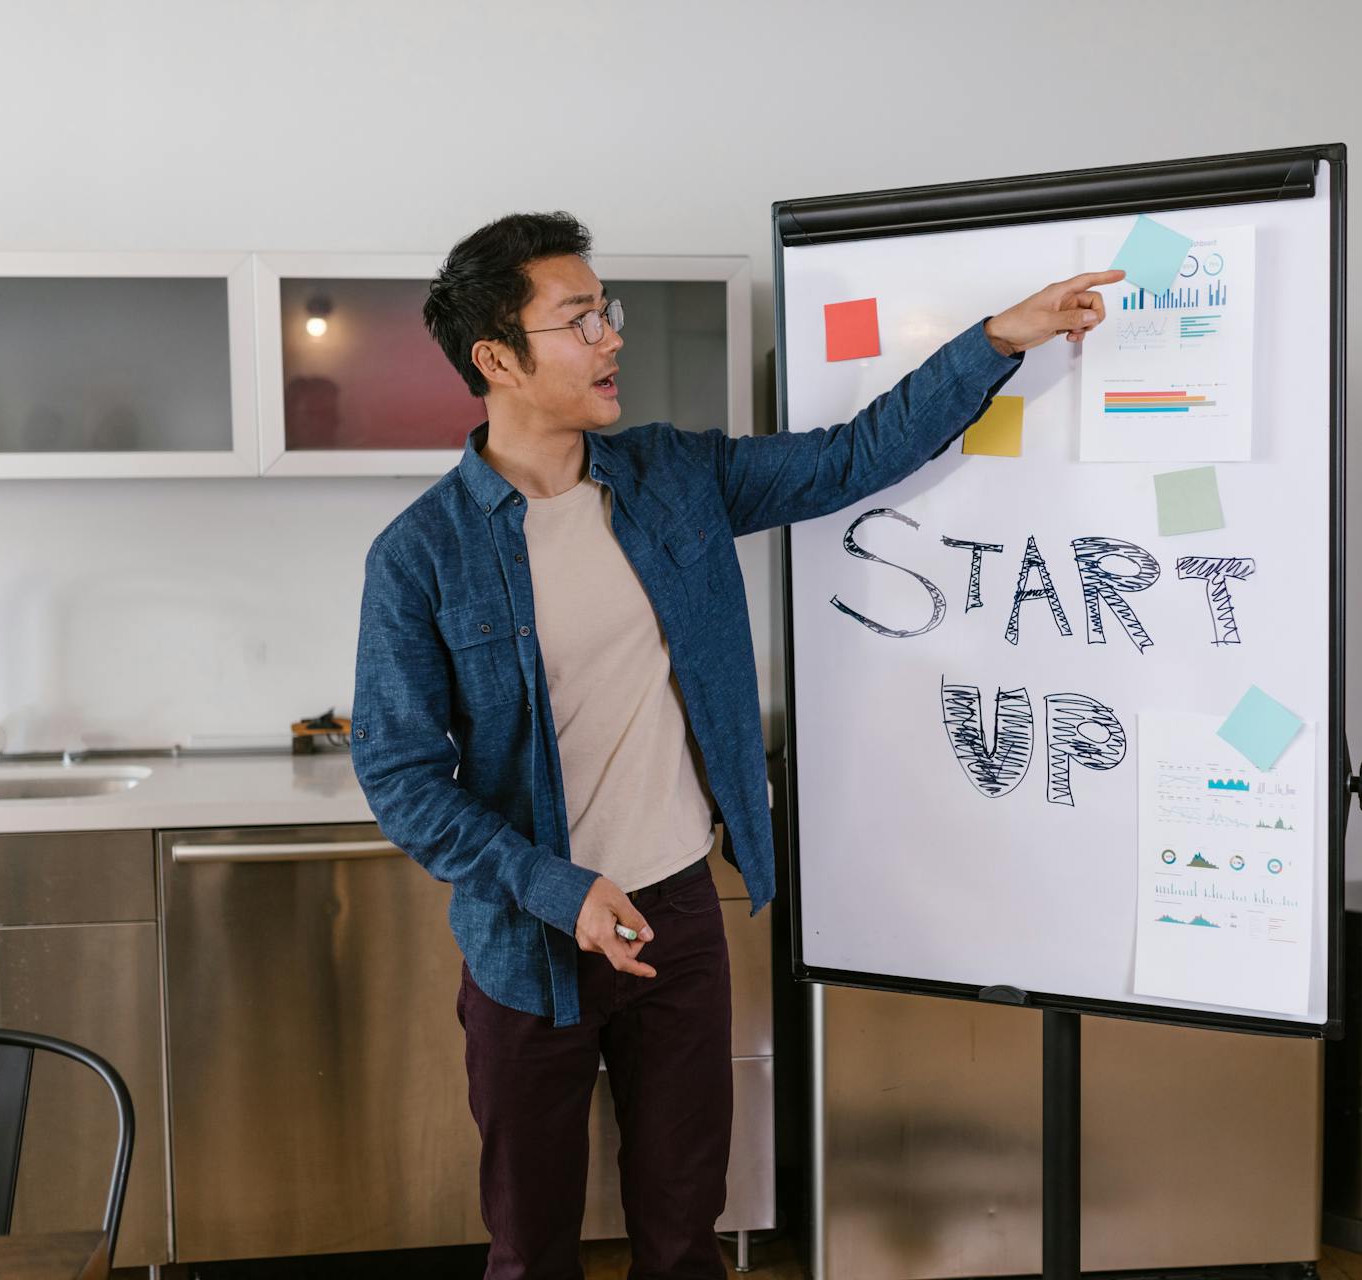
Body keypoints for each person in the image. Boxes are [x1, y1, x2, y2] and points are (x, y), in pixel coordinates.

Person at [351, 210, 1120, 1280]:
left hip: (673, 912)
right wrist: (555, 885)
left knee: (683, 1235)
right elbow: (397, 775)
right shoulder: (420, 554)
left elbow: (854, 456)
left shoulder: (672, 476)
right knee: (532, 1250)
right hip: (531, 936)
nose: (612, 335)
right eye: (579, 319)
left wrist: (997, 338)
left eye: (605, 310)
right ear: (496, 357)